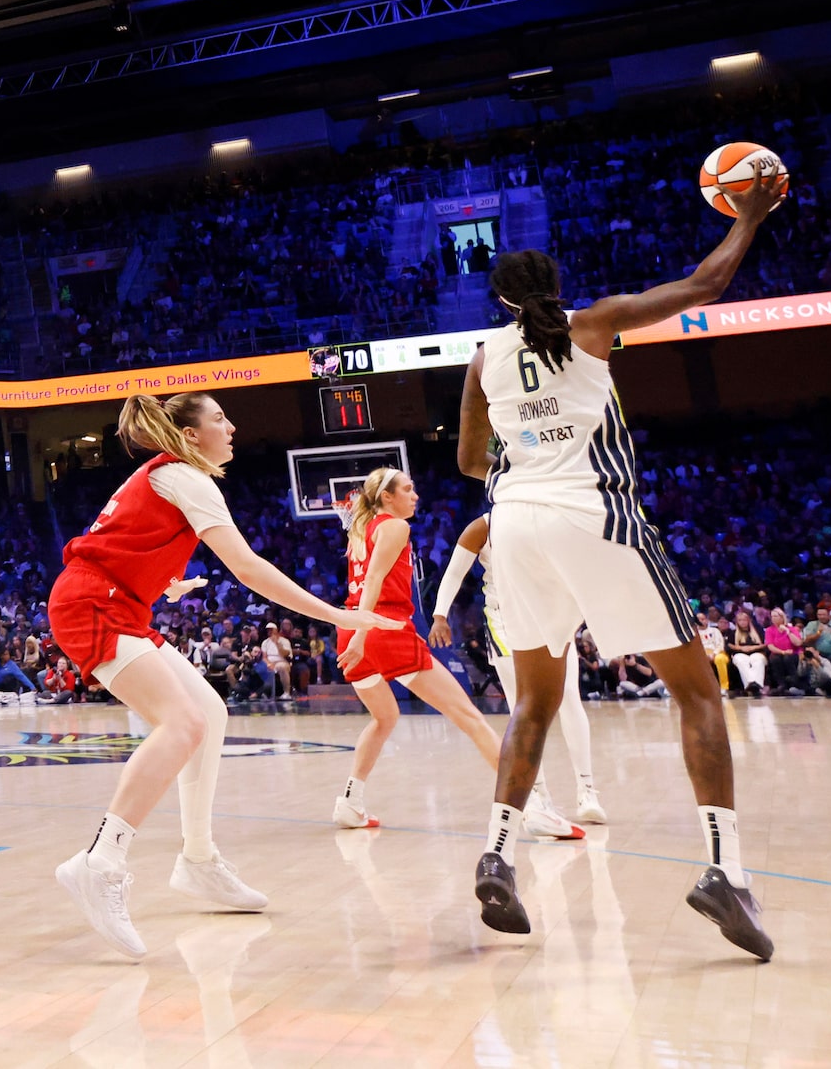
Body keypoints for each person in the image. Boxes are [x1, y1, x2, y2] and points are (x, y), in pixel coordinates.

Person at [459, 164, 782, 961]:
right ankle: (724, 872)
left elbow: (471, 461)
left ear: (497, 300)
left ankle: (496, 853)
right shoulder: (593, 323)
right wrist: (748, 217)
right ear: (553, 286)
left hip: (516, 525)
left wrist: (526, 442)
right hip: (591, 514)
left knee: (532, 703)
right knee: (695, 692)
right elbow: (705, 282)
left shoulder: (480, 358)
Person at [49, 393, 409, 960]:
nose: (233, 426)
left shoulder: (167, 478)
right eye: (219, 418)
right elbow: (248, 568)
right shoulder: (186, 478)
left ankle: (197, 861)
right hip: (94, 605)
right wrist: (339, 614)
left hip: (115, 602)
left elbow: (124, 543)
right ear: (190, 435)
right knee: (182, 723)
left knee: (209, 715)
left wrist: (168, 583)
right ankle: (102, 861)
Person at [326, 476, 581, 841]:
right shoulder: (394, 526)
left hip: (349, 629)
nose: (416, 495)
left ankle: (350, 801)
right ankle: (534, 808)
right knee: (470, 718)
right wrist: (365, 635)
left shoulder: (361, 530)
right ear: (387, 497)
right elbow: (375, 581)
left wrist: (357, 636)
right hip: (380, 629)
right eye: (408, 489)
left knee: (385, 717)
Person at [433, 511, 605, 823]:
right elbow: (454, 574)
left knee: (569, 697)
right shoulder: (483, 526)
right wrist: (439, 614)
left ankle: (587, 791)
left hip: (552, 615)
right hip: (505, 619)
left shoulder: (550, 517)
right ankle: (539, 797)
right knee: (522, 708)